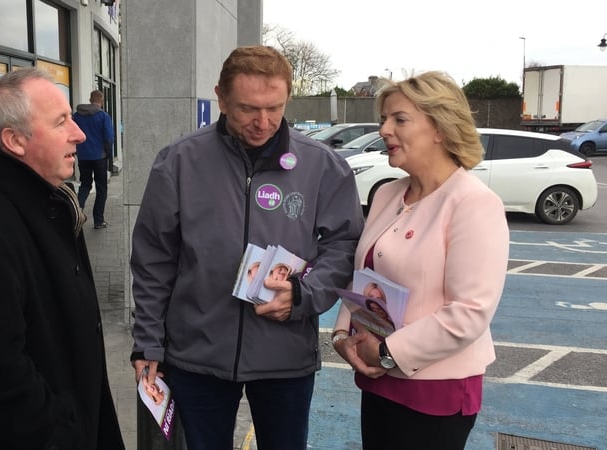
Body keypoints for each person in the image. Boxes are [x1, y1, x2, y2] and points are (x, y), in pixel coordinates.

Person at [130, 45, 364, 450]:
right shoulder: (179, 161)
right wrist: (149, 341)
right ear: (220, 97)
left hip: (284, 357)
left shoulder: (322, 166)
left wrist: (303, 295)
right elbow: (154, 260)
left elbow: (345, 244)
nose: (263, 122)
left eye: (274, 107)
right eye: (247, 109)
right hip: (196, 355)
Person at [0, 68, 125, 450]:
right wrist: (64, 433)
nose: (80, 134)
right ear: (15, 140)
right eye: (61, 122)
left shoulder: (46, 199)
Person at [332, 71, 510, 450]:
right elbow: (363, 273)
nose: (383, 129)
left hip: (435, 391)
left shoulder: (473, 203)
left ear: (440, 129)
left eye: (399, 119)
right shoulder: (387, 193)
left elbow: (470, 312)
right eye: (384, 119)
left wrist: (387, 353)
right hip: (378, 379)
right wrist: (342, 335)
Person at [73, 89, 114, 229]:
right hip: (99, 157)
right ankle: (98, 221)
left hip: (83, 157)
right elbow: (108, 139)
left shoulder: (76, 116)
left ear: (90, 99)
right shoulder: (103, 116)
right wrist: (109, 156)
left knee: (85, 184)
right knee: (101, 188)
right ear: (101, 101)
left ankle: (76, 213)